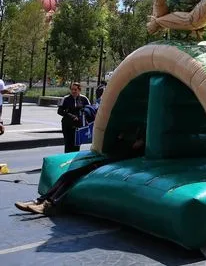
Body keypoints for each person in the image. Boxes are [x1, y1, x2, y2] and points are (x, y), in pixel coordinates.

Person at [15, 127, 145, 215]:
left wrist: (127, 143)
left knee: (75, 180)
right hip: (103, 163)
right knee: (68, 175)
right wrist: (120, 139)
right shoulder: (126, 147)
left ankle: (50, 204)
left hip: (107, 166)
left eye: (138, 141)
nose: (136, 142)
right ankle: (41, 200)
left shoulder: (135, 154)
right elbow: (112, 149)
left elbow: (123, 155)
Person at [57, 83, 91, 153]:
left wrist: (81, 117)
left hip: (78, 126)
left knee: (76, 145)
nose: (73, 91)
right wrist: (71, 116)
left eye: (75, 89)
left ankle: (74, 161)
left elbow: (89, 110)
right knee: (68, 144)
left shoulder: (84, 99)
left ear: (79, 90)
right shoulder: (66, 99)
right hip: (67, 125)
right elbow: (60, 111)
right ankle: (67, 160)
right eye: (72, 89)